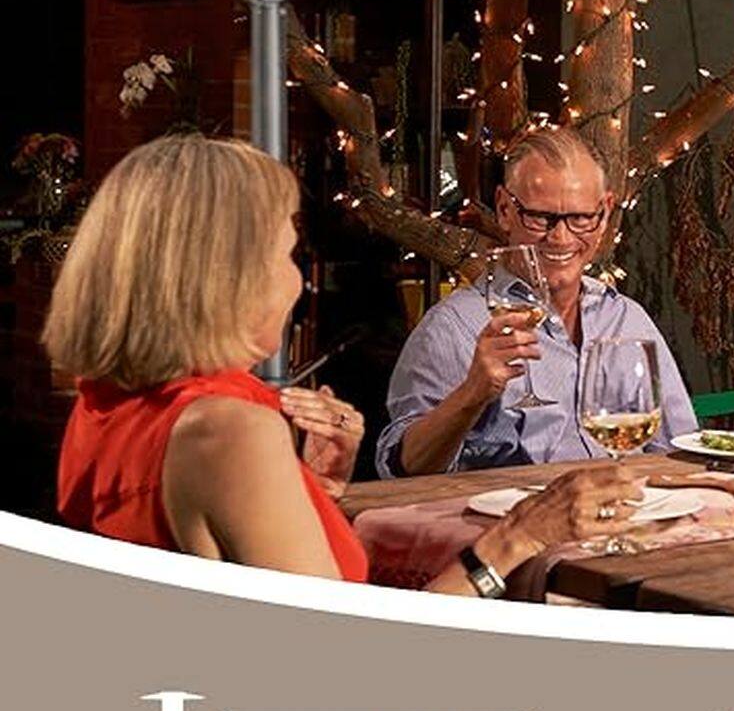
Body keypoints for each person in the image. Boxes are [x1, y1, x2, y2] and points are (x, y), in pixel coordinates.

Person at [45, 135, 642, 593]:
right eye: (286, 255)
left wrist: (310, 494)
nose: (298, 281)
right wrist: (518, 536)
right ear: (225, 276)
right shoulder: (230, 432)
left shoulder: (104, 406)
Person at [378, 127, 696, 476]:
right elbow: (404, 470)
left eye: (580, 218)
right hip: (516, 510)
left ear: (604, 213)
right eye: (540, 218)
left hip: (626, 507)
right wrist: (471, 394)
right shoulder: (453, 327)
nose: (560, 238)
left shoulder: (626, 318)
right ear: (504, 209)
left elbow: (680, 451)